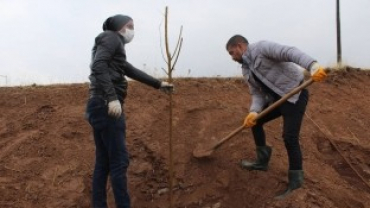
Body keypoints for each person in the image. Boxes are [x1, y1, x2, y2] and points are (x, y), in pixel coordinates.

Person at [85, 14, 173, 208]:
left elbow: (129, 69)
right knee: (119, 161)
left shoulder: (114, 48)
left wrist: (158, 84)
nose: (132, 30)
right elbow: (98, 66)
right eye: (129, 25)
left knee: (104, 161)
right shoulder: (111, 37)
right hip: (107, 105)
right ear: (118, 26)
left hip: (97, 104)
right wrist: (112, 98)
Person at [225, 35, 327, 198]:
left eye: (232, 53)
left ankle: (296, 183)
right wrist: (253, 112)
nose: (232, 57)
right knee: (255, 122)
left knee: (289, 137)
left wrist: (312, 66)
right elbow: (257, 94)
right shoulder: (246, 69)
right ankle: (262, 161)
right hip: (277, 100)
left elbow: (289, 52)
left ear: (239, 46)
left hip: (295, 95)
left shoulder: (262, 48)